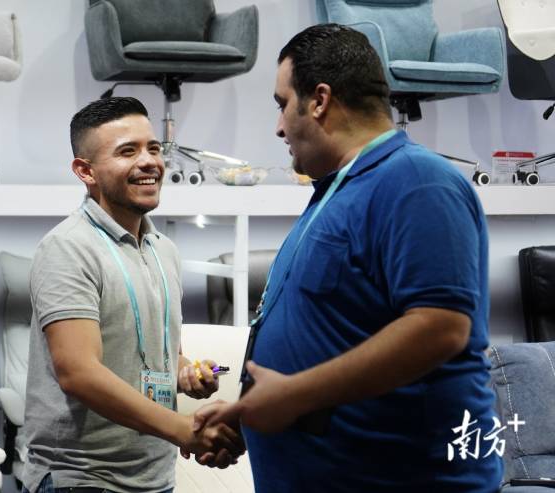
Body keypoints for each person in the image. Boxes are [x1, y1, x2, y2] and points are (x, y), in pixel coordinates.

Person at [194, 24, 503, 492]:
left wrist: (293, 397)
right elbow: (334, 330)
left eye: (282, 104)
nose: (278, 126)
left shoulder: (417, 180)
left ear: (319, 100)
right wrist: (249, 411)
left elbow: (441, 326)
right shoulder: (338, 191)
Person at [21, 97, 243, 493]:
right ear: (85, 171)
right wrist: (182, 429)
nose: (149, 162)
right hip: (84, 480)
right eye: (128, 151)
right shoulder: (67, 248)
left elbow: (157, 355)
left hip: (154, 477)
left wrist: (185, 372)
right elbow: (78, 373)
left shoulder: (163, 250)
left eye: (153, 148)